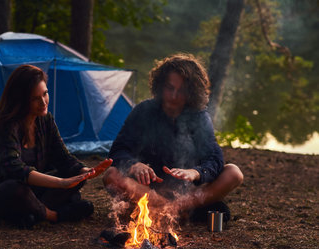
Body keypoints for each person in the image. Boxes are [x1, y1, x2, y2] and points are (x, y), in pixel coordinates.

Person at [0, 65, 110, 227]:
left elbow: (63, 158)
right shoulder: (4, 125)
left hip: (31, 192)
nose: (43, 102)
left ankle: (30, 214)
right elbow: (13, 170)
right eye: (35, 98)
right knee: (15, 189)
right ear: (21, 100)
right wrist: (60, 183)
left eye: (45, 94)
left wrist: (86, 172)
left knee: (73, 175)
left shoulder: (45, 121)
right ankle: (54, 215)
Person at [103, 53, 243, 224]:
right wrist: (134, 165)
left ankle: (172, 210)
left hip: (185, 195)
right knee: (111, 174)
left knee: (234, 172)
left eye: (181, 91)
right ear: (161, 86)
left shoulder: (198, 117)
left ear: (191, 92)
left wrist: (196, 172)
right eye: (170, 88)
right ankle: (169, 210)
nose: (174, 96)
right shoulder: (144, 111)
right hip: (147, 191)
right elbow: (117, 152)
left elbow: (214, 159)